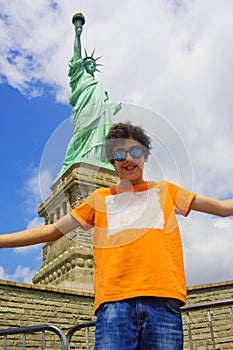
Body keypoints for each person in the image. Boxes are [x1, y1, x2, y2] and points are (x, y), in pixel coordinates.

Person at [0, 121, 232, 350]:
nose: (128, 158)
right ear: (112, 162)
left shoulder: (166, 190)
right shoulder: (99, 199)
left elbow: (221, 208)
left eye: (135, 151)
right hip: (114, 303)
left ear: (145, 155)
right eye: (120, 154)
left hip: (162, 299)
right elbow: (52, 231)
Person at [57, 13, 121, 178]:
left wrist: (111, 106)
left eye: (93, 64)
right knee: (80, 134)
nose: (91, 65)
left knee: (100, 133)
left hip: (99, 113)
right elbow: (77, 54)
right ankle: (70, 162)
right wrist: (78, 33)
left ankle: (97, 159)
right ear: (83, 66)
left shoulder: (99, 86)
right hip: (84, 110)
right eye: (88, 63)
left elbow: (104, 104)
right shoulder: (79, 77)